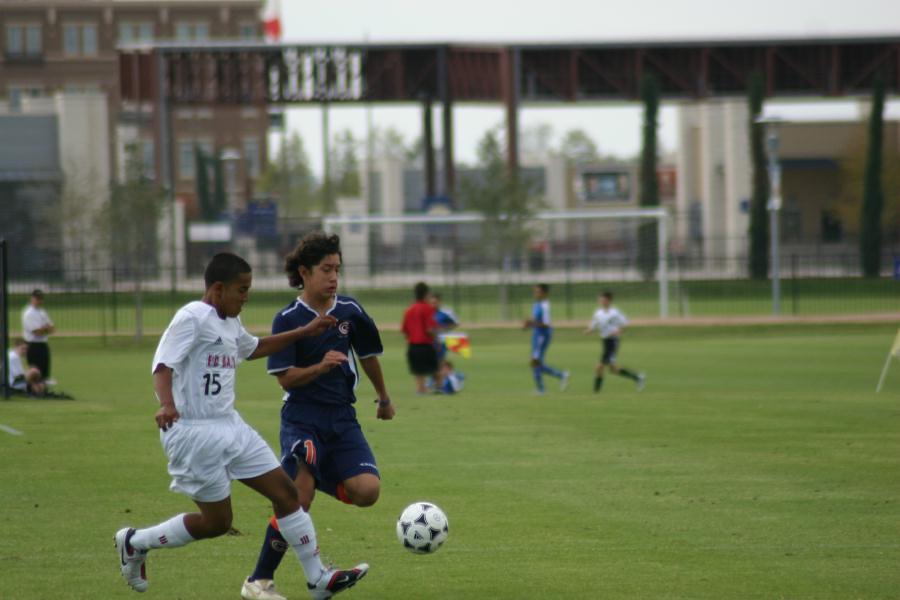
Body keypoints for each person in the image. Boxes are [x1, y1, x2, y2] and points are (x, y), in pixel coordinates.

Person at [114, 252, 368, 600]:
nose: (246, 297)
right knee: (217, 523)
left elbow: (255, 347)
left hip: (230, 426)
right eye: (242, 290)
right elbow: (162, 366)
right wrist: (167, 404)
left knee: (287, 494)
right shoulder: (191, 317)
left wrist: (305, 331)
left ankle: (318, 579)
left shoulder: (230, 322)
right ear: (218, 289)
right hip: (193, 433)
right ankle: (135, 542)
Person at [240, 232, 394, 600]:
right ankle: (259, 581)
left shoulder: (351, 311)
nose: (334, 277)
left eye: (337, 269)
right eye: (326, 269)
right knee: (298, 496)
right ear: (305, 273)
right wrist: (321, 367)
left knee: (367, 492)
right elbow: (285, 379)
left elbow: (369, 356)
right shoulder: (288, 319)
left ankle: (315, 475)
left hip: (342, 419)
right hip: (302, 418)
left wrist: (384, 397)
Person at [584, 291, 646, 392]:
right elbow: (594, 324)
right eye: (600, 299)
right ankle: (638, 377)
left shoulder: (615, 313)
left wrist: (618, 331)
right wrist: (589, 330)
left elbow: (625, 324)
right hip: (604, 341)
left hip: (613, 342)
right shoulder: (598, 313)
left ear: (609, 300)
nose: (601, 301)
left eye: (603, 299)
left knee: (599, 367)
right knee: (613, 369)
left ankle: (596, 393)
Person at [523, 283, 569, 395]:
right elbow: (536, 320)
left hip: (543, 335)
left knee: (535, 361)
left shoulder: (545, 305)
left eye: (538, 292)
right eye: (535, 291)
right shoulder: (536, 304)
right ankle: (561, 376)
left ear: (545, 293)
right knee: (536, 362)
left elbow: (546, 324)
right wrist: (529, 324)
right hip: (537, 334)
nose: (536, 293)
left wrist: (532, 323)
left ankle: (542, 389)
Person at [402, 282, 440, 394]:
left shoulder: (409, 309)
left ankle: (421, 390)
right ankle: (438, 389)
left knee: (418, 371)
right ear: (426, 294)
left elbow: (405, 330)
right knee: (436, 369)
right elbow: (430, 329)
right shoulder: (428, 309)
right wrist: (436, 341)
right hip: (426, 345)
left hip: (413, 346)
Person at [22, 289, 54, 382]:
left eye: (41, 299)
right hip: (33, 345)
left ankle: (43, 385)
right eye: (37, 299)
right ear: (32, 299)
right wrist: (45, 328)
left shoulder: (42, 311)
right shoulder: (29, 313)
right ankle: (34, 387)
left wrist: (43, 329)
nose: (40, 301)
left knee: (45, 369)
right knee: (35, 370)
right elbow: (37, 332)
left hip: (42, 343)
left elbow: (52, 329)